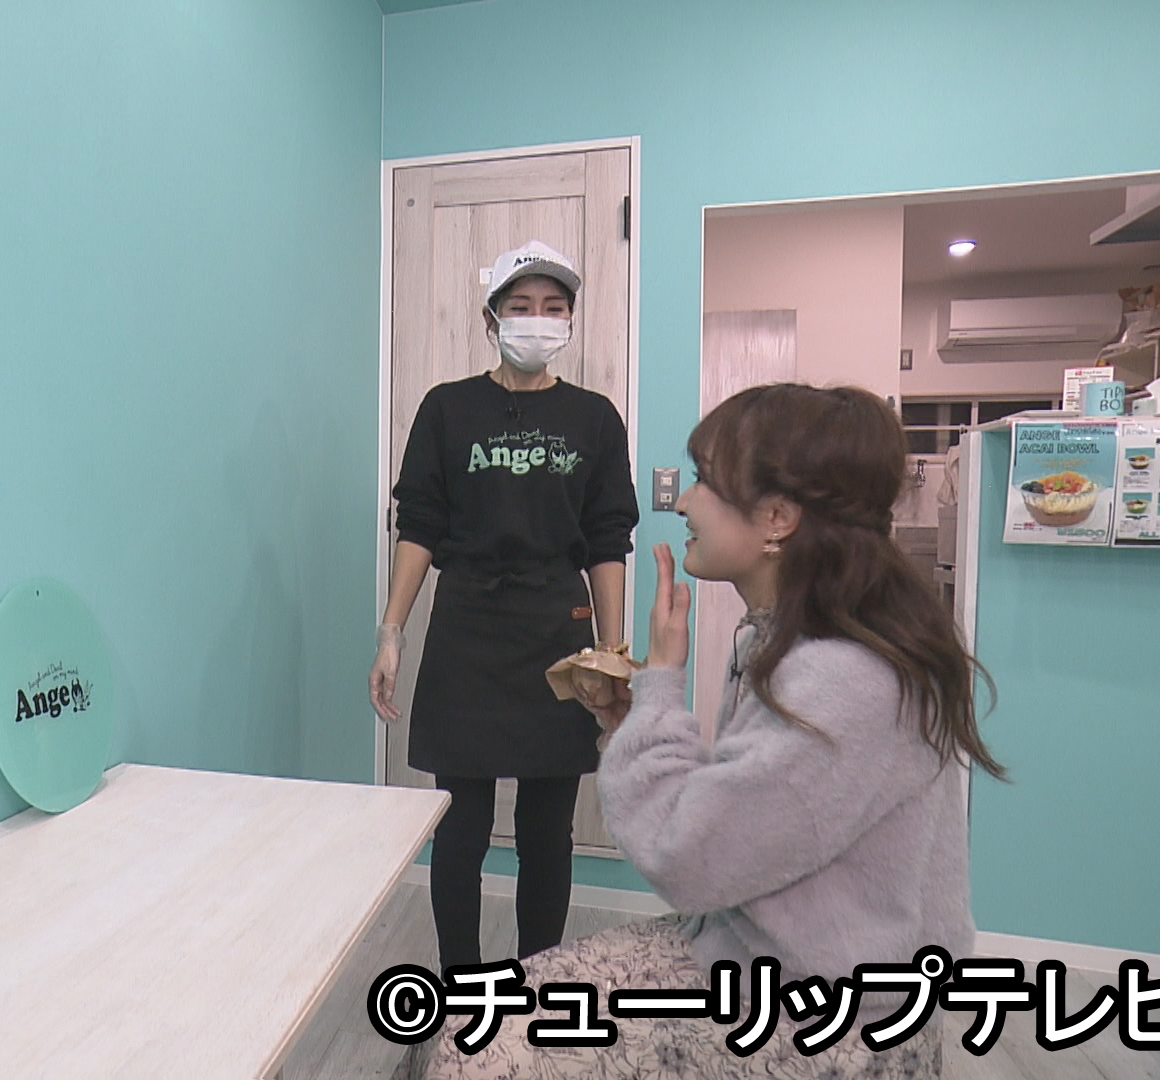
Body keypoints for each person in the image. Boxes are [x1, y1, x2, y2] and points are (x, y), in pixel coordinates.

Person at [426, 383, 1005, 1079]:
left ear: (777, 519)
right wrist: (635, 719)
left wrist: (662, 684)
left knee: (474, 1051)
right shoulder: (783, 641)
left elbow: (688, 857)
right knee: (475, 1012)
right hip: (750, 949)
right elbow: (747, 814)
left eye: (703, 481)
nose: (682, 502)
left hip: (831, 1016)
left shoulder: (839, 680)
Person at [371, 240, 639, 975]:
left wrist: (612, 654)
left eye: (553, 308)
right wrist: (391, 633)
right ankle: (463, 983)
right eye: (521, 306)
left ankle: (537, 981)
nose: (537, 320)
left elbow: (607, 539)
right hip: (467, 627)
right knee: (458, 828)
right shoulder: (446, 408)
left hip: (560, 630)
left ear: (571, 321)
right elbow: (418, 525)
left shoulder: (594, 418)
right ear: (491, 318)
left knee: (547, 832)